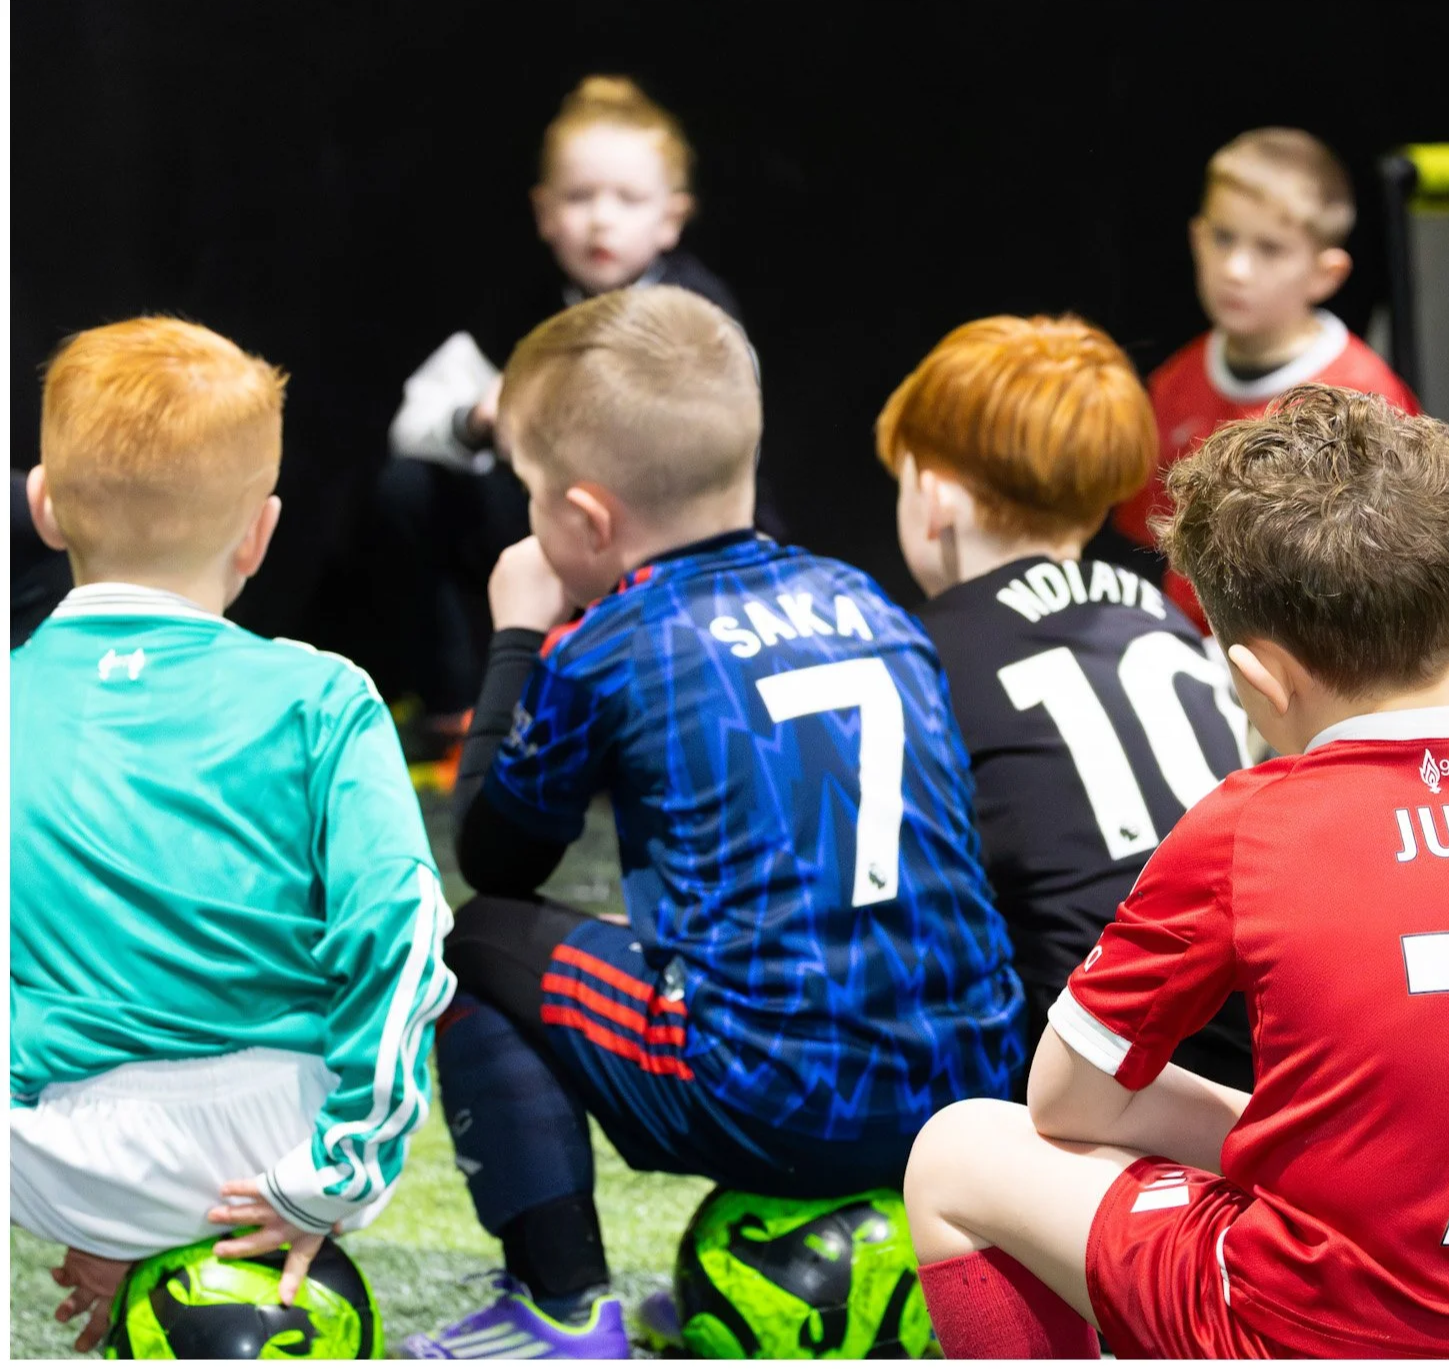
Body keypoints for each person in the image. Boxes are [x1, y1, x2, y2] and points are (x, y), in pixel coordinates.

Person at [905, 385, 1449, 1358]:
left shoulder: (1250, 825)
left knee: (956, 1150)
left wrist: (1275, 1132)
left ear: (1253, 675)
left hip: (1317, 1334)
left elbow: (1067, 1102)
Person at [404, 286, 1024, 1359]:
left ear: (585, 518)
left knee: (475, 938)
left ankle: (561, 1307)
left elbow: (494, 854)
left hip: (771, 1101)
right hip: (973, 1089)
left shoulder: (608, 639)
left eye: (532, 495)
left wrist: (515, 635)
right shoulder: (868, 598)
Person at [10, 318, 453, 1352]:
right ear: (260, 533)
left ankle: (124, 1230)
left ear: (41, 506)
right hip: (284, 1138)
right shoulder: (324, 696)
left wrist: (94, 1191)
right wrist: (334, 1173)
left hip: (50, 1153)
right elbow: (402, 934)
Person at [880, 315, 1256, 1093]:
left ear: (936, 496)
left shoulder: (918, 655)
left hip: (1085, 1075)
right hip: (1251, 1056)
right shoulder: (1171, 624)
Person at [371, 75, 744, 758]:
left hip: (659, 532)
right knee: (408, 488)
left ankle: (659, 711)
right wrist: (478, 420)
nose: (601, 218)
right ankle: (461, 708)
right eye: (579, 197)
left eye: (627, 199)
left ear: (671, 216)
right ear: (545, 212)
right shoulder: (520, 306)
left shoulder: (700, 311)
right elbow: (414, 421)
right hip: (542, 520)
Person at [1107, 128, 1416, 629]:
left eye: (1270, 249)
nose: (1236, 269)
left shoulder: (1364, 397)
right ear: (1195, 237)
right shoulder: (1171, 386)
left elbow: (1390, 572)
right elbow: (1144, 542)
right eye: (1223, 237)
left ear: (1327, 273)